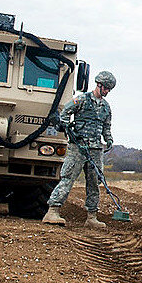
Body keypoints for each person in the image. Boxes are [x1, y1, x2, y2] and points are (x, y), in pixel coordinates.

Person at [42, 70, 116, 228]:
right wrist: (69, 129)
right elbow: (64, 114)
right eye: (106, 88)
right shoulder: (82, 100)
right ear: (99, 85)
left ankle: (91, 217)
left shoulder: (105, 107)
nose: (107, 91)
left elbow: (106, 127)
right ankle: (53, 211)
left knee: (94, 182)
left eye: (109, 89)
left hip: (96, 148)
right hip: (78, 147)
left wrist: (108, 139)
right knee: (68, 178)